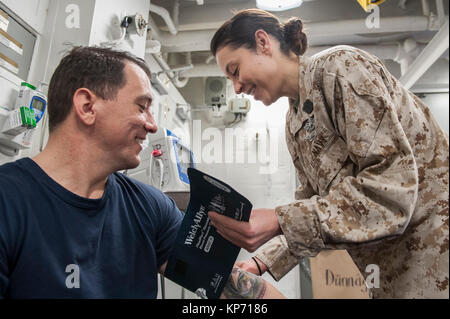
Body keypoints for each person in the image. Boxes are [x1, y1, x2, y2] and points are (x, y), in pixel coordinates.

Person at [0, 46, 285, 299]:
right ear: (87, 107)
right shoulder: (8, 201)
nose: (152, 125)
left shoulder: (149, 207)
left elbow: (234, 288)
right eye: (142, 107)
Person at [208, 8, 449, 299]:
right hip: (391, 275)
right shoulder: (295, 123)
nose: (236, 88)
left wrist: (278, 220)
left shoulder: (340, 70)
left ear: (262, 42)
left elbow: (392, 190)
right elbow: (317, 206)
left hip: (435, 258)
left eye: (235, 70)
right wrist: (263, 261)